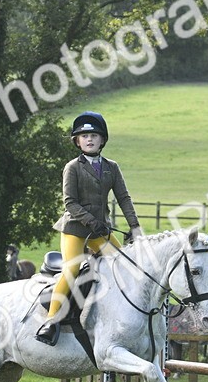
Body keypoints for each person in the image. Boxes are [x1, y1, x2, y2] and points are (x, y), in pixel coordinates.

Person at [36, 111, 143, 345]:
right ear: (77, 141)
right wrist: (91, 221)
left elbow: (124, 197)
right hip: (75, 229)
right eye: (84, 136)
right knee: (71, 270)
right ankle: (50, 321)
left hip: (100, 231)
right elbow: (69, 203)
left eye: (94, 135)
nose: (89, 139)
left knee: (124, 265)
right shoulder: (72, 167)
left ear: (102, 140)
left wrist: (134, 226)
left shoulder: (112, 168)